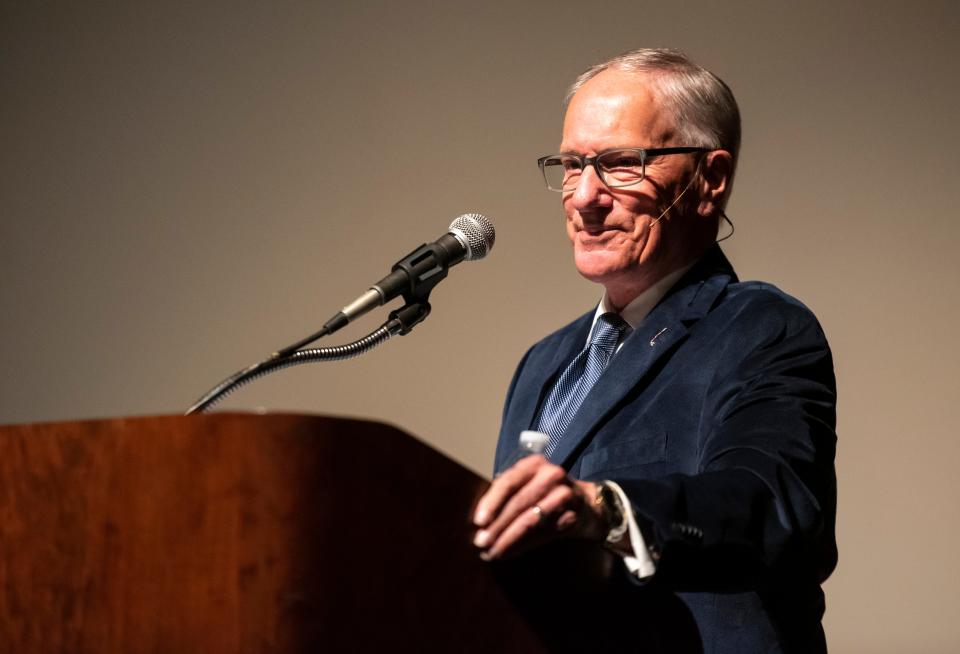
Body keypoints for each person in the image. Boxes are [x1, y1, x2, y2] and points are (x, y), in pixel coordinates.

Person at [472, 48, 837, 653]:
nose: (584, 196)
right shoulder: (543, 364)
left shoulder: (759, 328)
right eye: (571, 164)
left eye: (620, 163)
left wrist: (609, 511)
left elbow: (773, 506)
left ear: (710, 179)